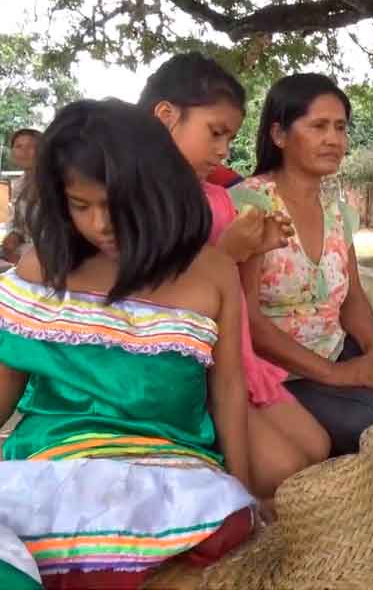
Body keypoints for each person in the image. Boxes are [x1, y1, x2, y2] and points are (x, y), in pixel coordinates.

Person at [0, 100, 255, 590]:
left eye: (115, 203)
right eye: (80, 205)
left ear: (159, 188)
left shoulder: (214, 273)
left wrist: (243, 492)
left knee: (224, 522)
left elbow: (227, 391)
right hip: (53, 475)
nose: (100, 224)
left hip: (175, 481)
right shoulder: (41, 270)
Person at [233, 73, 373, 457]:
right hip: (277, 370)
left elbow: (353, 297)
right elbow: (248, 322)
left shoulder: (338, 212)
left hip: (338, 349)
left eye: (340, 128)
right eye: (318, 126)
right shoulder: (249, 205)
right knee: (367, 422)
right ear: (279, 134)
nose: (334, 139)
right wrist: (336, 375)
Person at [138, 52, 330, 499]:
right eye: (216, 133)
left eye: (231, 137)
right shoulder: (137, 202)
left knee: (316, 448)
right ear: (166, 117)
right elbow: (156, 299)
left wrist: (253, 251)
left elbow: (237, 303)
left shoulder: (218, 200)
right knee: (282, 471)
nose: (224, 150)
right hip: (185, 371)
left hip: (234, 359)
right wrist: (227, 252)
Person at [2, 128, 41, 264]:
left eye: (32, 146)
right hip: (22, 251)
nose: (24, 151)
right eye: (18, 146)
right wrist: (14, 235)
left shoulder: (54, 183)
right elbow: (18, 223)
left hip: (44, 255)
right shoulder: (19, 184)